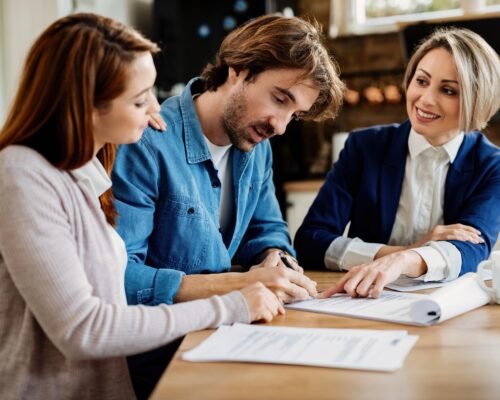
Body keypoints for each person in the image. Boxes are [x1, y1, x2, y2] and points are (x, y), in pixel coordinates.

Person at [0, 13, 284, 400]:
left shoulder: (83, 173)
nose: (156, 108)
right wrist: (230, 306)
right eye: (139, 98)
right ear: (85, 104)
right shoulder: (21, 174)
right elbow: (84, 330)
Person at [112, 14, 345, 308]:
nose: (281, 127)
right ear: (238, 70)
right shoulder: (146, 143)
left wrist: (275, 257)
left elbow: (267, 230)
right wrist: (236, 284)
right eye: (280, 99)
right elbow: (119, 277)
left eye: (294, 115)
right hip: (166, 342)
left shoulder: (257, 147)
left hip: (227, 325)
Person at [295, 27, 500, 299]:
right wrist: (399, 253)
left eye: (448, 90)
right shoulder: (364, 147)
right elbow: (310, 240)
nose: (425, 99)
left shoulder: (491, 165)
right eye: (422, 81)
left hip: (443, 309)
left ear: (477, 100)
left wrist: (406, 262)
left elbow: (472, 250)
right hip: (362, 299)